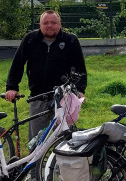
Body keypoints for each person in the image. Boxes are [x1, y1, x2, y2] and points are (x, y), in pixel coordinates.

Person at [6, 10, 87, 145]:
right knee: (37, 140)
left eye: (53, 23)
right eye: (46, 23)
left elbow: (79, 67)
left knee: (63, 139)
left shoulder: (70, 40)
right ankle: (34, 165)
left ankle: (59, 165)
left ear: (60, 24)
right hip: (38, 96)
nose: (50, 26)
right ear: (40, 24)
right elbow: (18, 63)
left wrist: (79, 90)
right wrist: (12, 87)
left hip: (63, 98)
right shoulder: (30, 39)